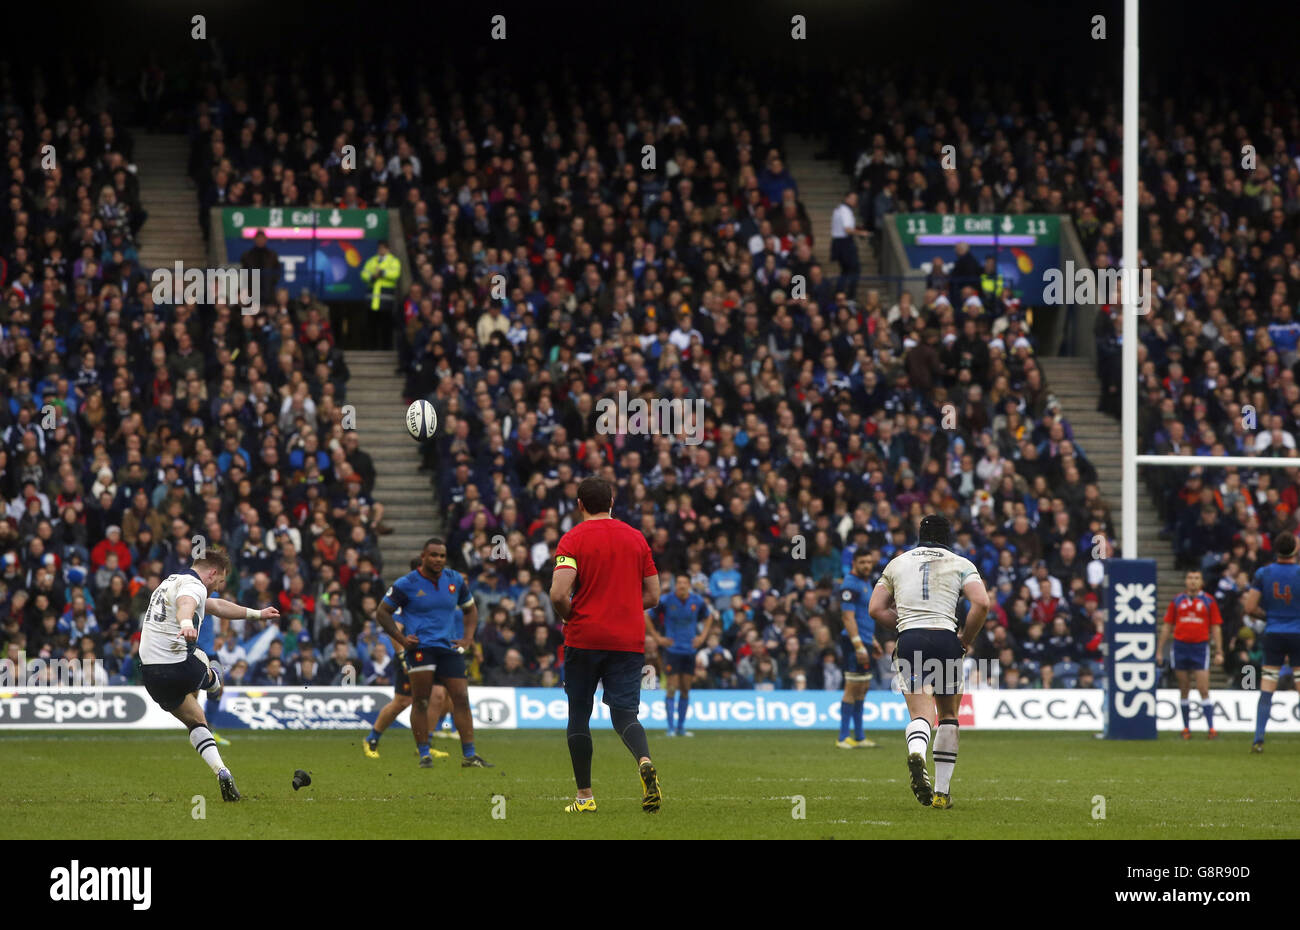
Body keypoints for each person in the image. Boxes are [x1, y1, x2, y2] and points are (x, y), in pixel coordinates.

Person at [550, 476, 662, 814]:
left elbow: (557, 593)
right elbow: (654, 596)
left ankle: (585, 798)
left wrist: (572, 616)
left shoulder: (572, 540)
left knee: (579, 715)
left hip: (585, 638)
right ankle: (644, 760)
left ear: (580, 504)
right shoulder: (637, 538)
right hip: (628, 640)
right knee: (625, 714)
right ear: (612, 502)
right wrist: (623, 609)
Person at [137, 547, 280, 802]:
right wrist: (186, 624)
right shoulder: (194, 586)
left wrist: (257, 614)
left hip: (151, 674)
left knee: (196, 721)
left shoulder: (171, 581)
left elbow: (216, 606)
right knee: (208, 660)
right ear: (212, 573)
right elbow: (186, 605)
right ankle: (213, 680)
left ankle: (222, 771)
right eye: (221, 581)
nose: (219, 586)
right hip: (179, 665)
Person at [869, 514, 989, 810]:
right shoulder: (962, 564)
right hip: (946, 638)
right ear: (948, 537)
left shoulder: (898, 562)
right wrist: (966, 638)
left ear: (919, 536)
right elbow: (982, 603)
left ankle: (917, 753)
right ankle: (941, 794)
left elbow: (875, 608)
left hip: (911, 639)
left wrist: (903, 624)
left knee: (921, 715)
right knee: (948, 715)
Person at [373, 538, 489, 768]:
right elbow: (382, 613)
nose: (438, 560)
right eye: (434, 555)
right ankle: (424, 753)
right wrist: (402, 640)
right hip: (421, 649)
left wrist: (468, 638)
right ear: (424, 556)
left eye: (442, 556)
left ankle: (470, 755)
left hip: (448, 647)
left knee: (461, 698)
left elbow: (470, 610)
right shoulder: (407, 583)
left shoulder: (454, 579)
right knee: (421, 701)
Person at [365, 557, 451, 760]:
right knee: (402, 702)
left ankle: (425, 745)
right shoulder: (406, 595)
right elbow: (395, 629)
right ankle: (372, 738)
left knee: (437, 696)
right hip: (411, 655)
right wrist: (403, 656)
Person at [1241, 531, 1300, 752]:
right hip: (1298, 633)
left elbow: (1249, 608)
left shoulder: (1263, 573)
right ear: (1295, 549)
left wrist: (1270, 617)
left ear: (1275, 549)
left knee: (1267, 686)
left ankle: (1258, 739)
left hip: (1274, 633)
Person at [1156, 569, 1224, 739]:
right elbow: (1167, 626)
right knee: (1184, 688)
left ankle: (1211, 728)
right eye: (1190, 578)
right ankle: (1186, 728)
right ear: (1186, 581)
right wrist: (1159, 649)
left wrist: (1219, 651)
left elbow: (1215, 627)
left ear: (1201, 582)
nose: (1193, 581)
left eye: (1196, 578)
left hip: (1200, 648)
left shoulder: (1209, 601)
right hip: (1180, 647)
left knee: (1203, 688)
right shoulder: (1177, 601)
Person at [648, 574, 714, 737]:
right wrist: (657, 638)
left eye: (684, 582)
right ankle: (670, 728)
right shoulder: (666, 600)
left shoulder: (697, 601)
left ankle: (681, 727)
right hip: (672, 650)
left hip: (690, 650)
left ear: (689, 585)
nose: (681, 585)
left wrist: (702, 637)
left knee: (685, 689)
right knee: (671, 688)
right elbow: (647, 615)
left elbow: (709, 617)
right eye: (679, 582)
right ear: (675, 584)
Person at [837, 548, 880, 749]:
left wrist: (873, 641)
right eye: (862, 562)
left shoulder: (865, 583)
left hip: (866, 641)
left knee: (862, 688)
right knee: (852, 688)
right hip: (854, 643)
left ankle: (860, 736)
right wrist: (858, 645)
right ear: (854, 562)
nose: (866, 566)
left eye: (869, 562)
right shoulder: (850, 585)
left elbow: (864, 617)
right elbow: (848, 617)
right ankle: (843, 737)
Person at [359, 239, 401, 350]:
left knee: (386, 328)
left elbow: (395, 274)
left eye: (384, 248)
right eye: (380, 248)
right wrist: (372, 276)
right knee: (372, 327)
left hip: (386, 302)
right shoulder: (372, 261)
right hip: (372, 302)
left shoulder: (393, 261)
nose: (381, 250)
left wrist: (382, 273)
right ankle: (372, 349)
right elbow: (363, 274)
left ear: (388, 249)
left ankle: (386, 349)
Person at [830, 191, 868, 296]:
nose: (855, 201)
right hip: (844, 243)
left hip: (838, 242)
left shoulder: (838, 209)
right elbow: (847, 229)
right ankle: (850, 294)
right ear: (846, 198)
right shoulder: (845, 211)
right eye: (852, 198)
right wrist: (861, 233)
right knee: (855, 270)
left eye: (856, 199)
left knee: (845, 270)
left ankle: (840, 292)